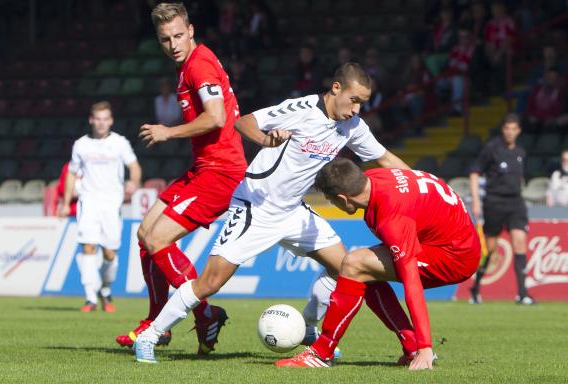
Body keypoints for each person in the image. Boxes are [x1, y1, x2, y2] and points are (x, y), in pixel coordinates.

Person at [133, 62, 410, 363]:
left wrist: (427, 184)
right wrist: (267, 139)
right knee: (210, 282)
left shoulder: (352, 127)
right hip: (256, 207)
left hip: (294, 212)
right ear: (336, 88)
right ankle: (150, 335)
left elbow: (384, 157)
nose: (357, 109)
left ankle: (307, 328)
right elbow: (243, 122)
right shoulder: (302, 108)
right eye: (354, 100)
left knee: (345, 267)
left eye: (363, 103)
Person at [114, 2, 248, 354]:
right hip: (203, 168)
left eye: (177, 36)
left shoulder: (199, 65)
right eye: (164, 39)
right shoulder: (190, 63)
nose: (172, 44)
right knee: (145, 235)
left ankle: (203, 314)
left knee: (157, 239)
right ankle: (157, 319)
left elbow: (216, 117)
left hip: (221, 173)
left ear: (190, 31)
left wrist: (167, 132)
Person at [276, 158, 480, 369]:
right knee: (362, 269)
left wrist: (426, 347)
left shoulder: (393, 217)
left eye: (330, 200)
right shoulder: (374, 179)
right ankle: (410, 346)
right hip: (448, 239)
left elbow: (413, 285)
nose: (331, 204)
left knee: (355, 264)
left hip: (454, 257)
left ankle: (320, 353)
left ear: (343, 199)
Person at [60, 101, 142, 313]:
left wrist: (134, 182)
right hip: (88, 202)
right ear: (91, 120)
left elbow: (134, 166)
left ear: (111, 121)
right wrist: (65, 201)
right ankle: (90, 298)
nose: (101, 123)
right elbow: (72, 172)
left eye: (105, 119)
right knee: (88, 247)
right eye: (98, 119)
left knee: (109, 253)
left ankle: (105, 289)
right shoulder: (81, 145)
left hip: (111, 203)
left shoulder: (119, 143)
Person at [469, 113, 535, 305]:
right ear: (503, 129)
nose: (510, 132)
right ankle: (476, 288)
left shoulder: (521, 152)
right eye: (507, 128)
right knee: (490, 249)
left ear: (519, 131)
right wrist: (475, 202)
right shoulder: (492, 149)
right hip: (494, 202)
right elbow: (475, 172)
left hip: (516, 203)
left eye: (514, 129)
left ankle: (522, 293)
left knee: (520, 242)